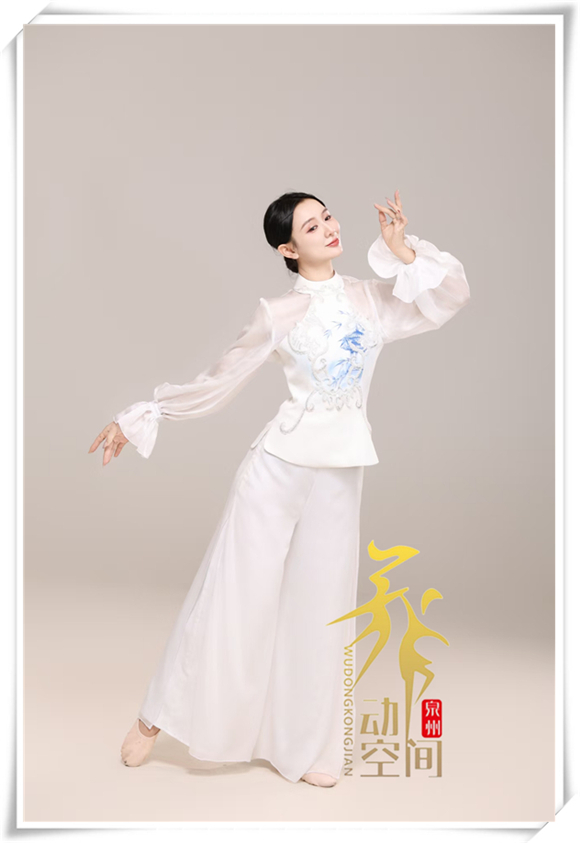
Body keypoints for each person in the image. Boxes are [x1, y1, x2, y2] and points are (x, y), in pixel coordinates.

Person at [88, 190, 470, 787]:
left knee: (324, 609)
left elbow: (448, 297)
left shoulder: (371, 299)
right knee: (231, 596)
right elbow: (219, 380)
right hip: (276, 469)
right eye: (311, 226)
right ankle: (153, 719)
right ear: (288, 249)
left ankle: (305, 746)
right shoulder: (278, 313)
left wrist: (403, 250)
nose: (329, 228)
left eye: (327, 216)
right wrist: (144, 415)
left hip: (339, 471)